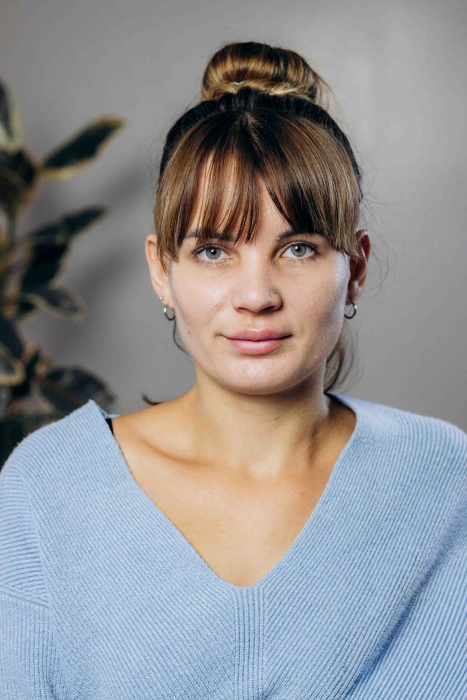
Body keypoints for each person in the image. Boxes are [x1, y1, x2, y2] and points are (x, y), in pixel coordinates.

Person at [1, 41, 466, 700]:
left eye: (297, 248)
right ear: (162, 270)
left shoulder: (443, 479)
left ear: (355, 268)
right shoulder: (49, 488)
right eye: (214, 251)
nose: (255, 295)